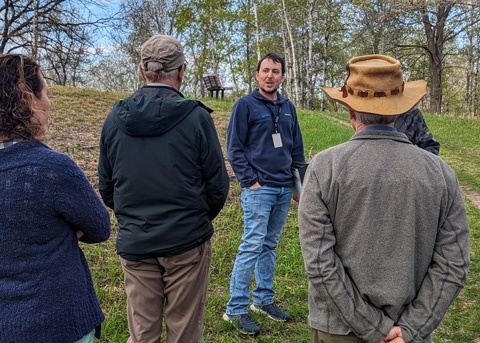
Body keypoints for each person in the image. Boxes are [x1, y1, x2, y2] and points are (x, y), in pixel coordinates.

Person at [298, 54, 469, 343]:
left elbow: (319, 262)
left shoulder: (324, 168)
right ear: (400, 111)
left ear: (351, 112)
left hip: (340, 330)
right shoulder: (440, 173)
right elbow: (454, 263)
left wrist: (374, 328)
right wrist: (412, 327)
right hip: (408, 334)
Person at [98, 35, 229, 343]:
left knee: (142, 335)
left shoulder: (115, 119)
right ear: (181, 71)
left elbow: (106, 187)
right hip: (186, 242)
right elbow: (217, 186)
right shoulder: (196, 117)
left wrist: (135, 216)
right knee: (184, 333)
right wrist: (192, 219)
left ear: (143, 71)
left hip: (136, 242)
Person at [0, 54, 111, 343]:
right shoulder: (53, 169)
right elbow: (100, 227)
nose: (49, 102)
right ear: (29, 101)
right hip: (59, 322)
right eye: (46, 93)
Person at [223, 53, 306, 335]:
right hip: (260, 189)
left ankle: (263, 300)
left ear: (283, 76)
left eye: (276, 71)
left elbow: (296, 148)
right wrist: (250, 182)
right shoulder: (244, 106)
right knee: (252, 245)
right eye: (265, 70)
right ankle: (235, 308)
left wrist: (298, 186)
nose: (270, 75)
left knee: (269, 245)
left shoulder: (287, 107)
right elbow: (234, 148)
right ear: (257, 75)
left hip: (283, 188)